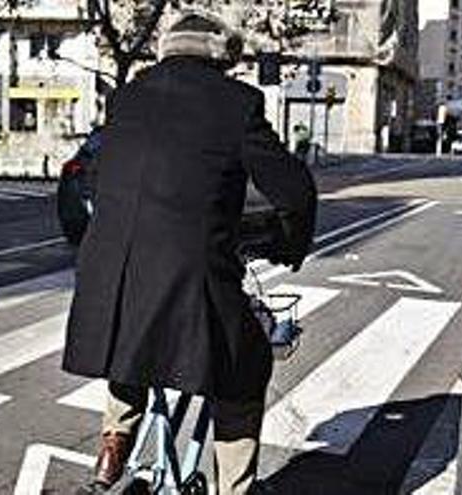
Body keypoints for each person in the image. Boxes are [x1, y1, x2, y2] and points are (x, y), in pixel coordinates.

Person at [62, 10, 317, 495]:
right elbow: (293, 190)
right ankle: (235, 488)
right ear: (222, 55)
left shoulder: (126, 97)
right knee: (246, 368)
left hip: (104, 276)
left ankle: (114, 442)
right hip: (188, 279)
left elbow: (102, 178)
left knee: (131, 343)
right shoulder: (237, 103)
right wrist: (289, 245)